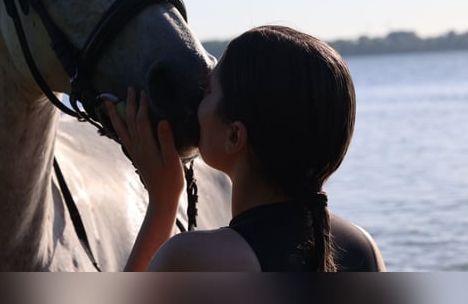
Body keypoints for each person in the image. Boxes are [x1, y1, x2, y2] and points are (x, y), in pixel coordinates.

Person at [102, 25, 386, 272]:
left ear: (234, 136)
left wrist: (163, 203)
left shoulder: (194, 259)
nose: (196, 103)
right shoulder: (362, 248)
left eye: (208, 92)